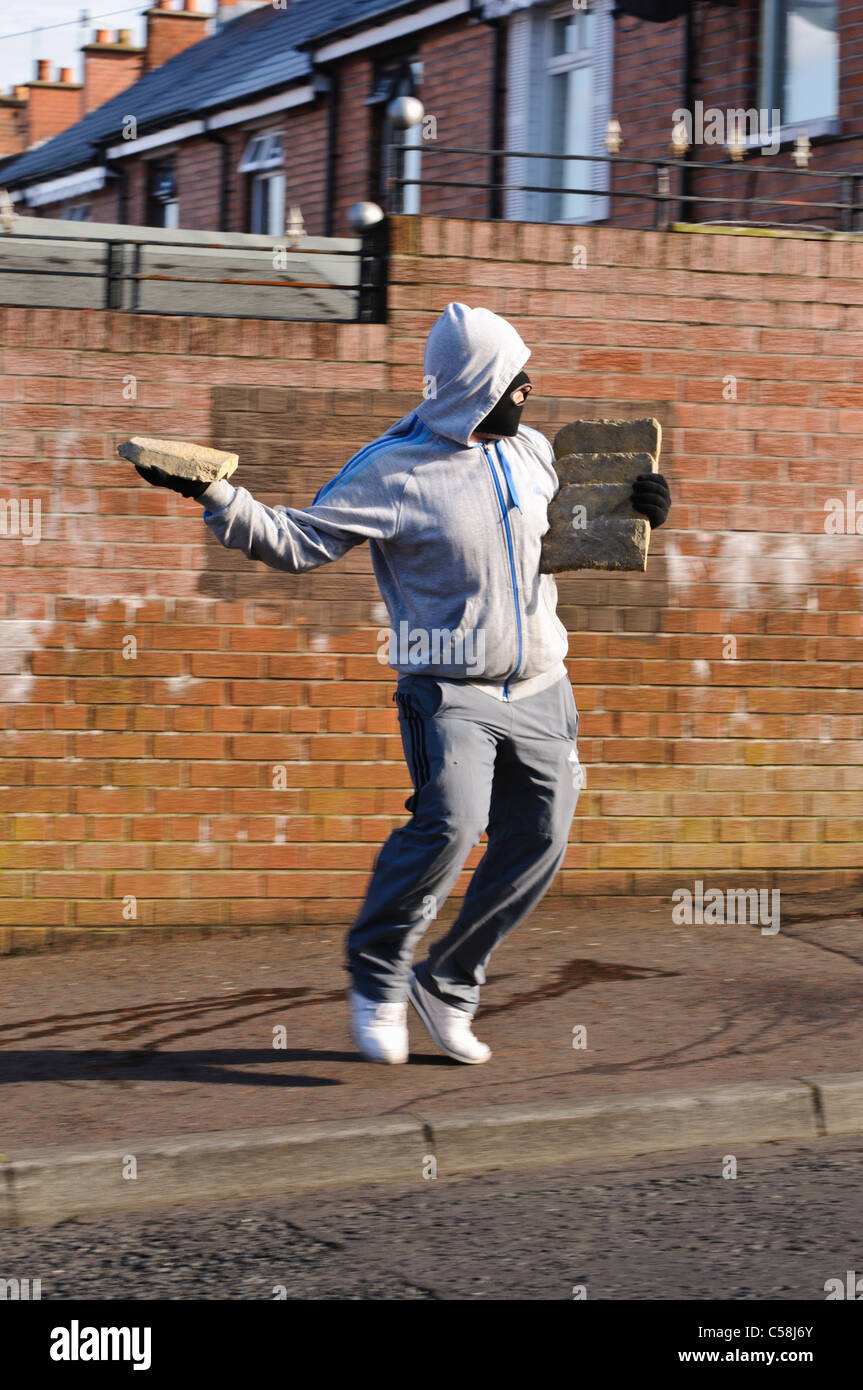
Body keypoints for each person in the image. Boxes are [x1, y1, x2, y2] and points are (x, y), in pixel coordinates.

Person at [135, 301, 671, 1066]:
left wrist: (637, 508)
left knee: (540, 840)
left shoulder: (534, 453)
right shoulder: (392, 470)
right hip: (447, 689)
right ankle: (379, 971)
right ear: (477, 384)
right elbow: (298, 542)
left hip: (543, 684)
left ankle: (449, 983)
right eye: (514, 380)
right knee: (451, 825)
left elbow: (564, 534)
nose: (528, 390)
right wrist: (217, 495)